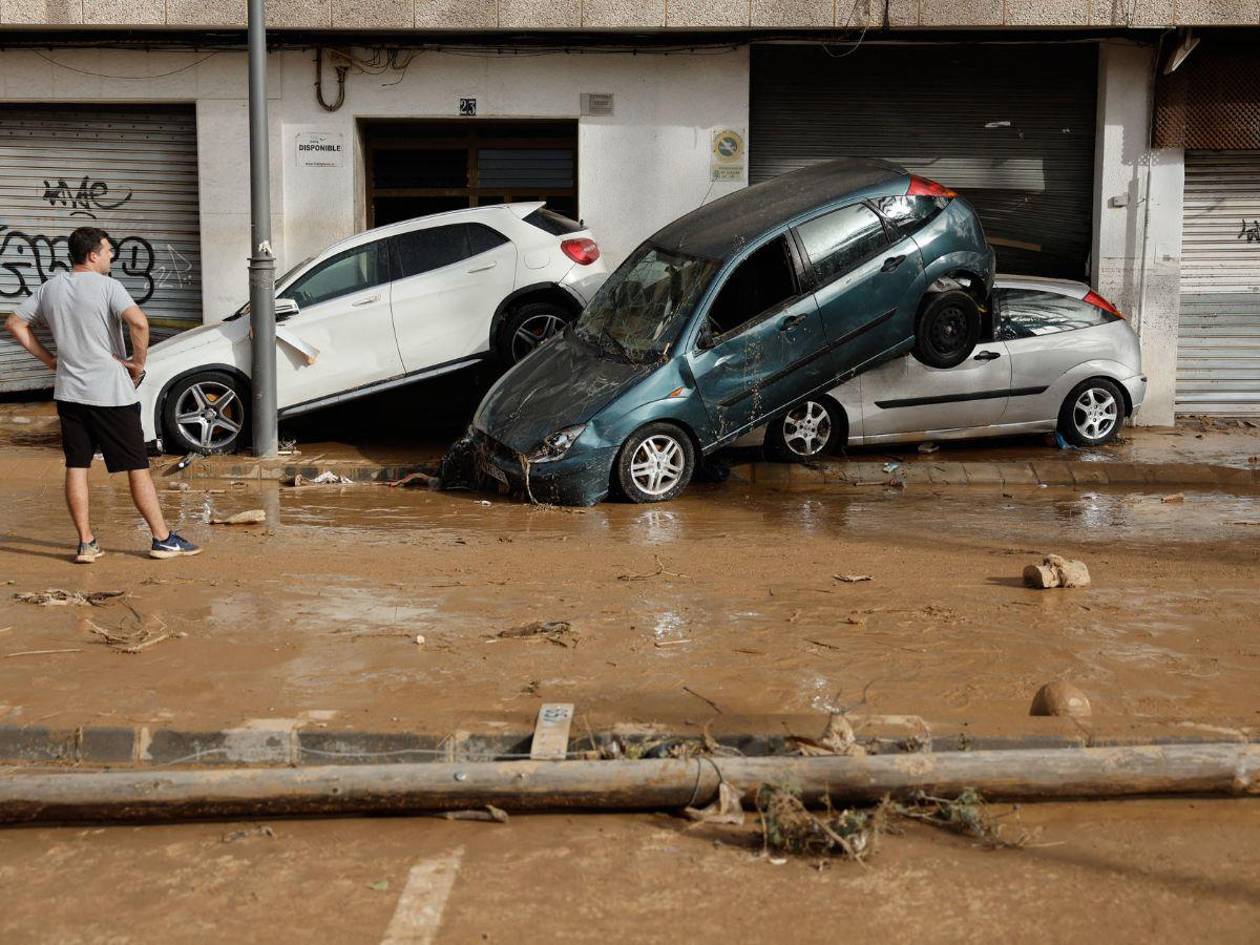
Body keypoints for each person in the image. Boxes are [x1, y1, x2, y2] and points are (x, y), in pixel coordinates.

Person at [4, 227, 201, 562]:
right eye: (109, 250)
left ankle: (86, 544)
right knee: (137, 467)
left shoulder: (51, 287)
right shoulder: (109, 286)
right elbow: (139, 323)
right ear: (93, 254)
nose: (112, 255)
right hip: (111, 394)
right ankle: (162, 538)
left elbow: (14, 324)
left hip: (69, 392)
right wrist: (138, 364)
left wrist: (50, 360)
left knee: (77, 466)